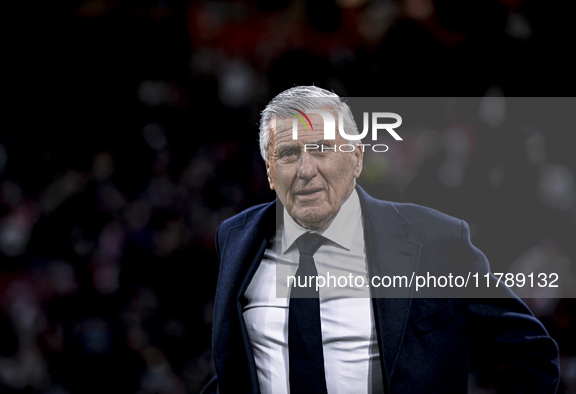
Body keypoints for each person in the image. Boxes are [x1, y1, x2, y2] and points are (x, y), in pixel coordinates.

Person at [202, 86, 560, 394]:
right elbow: (236, 371)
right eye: (289, 154)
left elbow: (531, 353)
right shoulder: (236, 238)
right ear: (269, 171)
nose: (306, 170)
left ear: (356, 158)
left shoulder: (435, 240)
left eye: (322, 148)